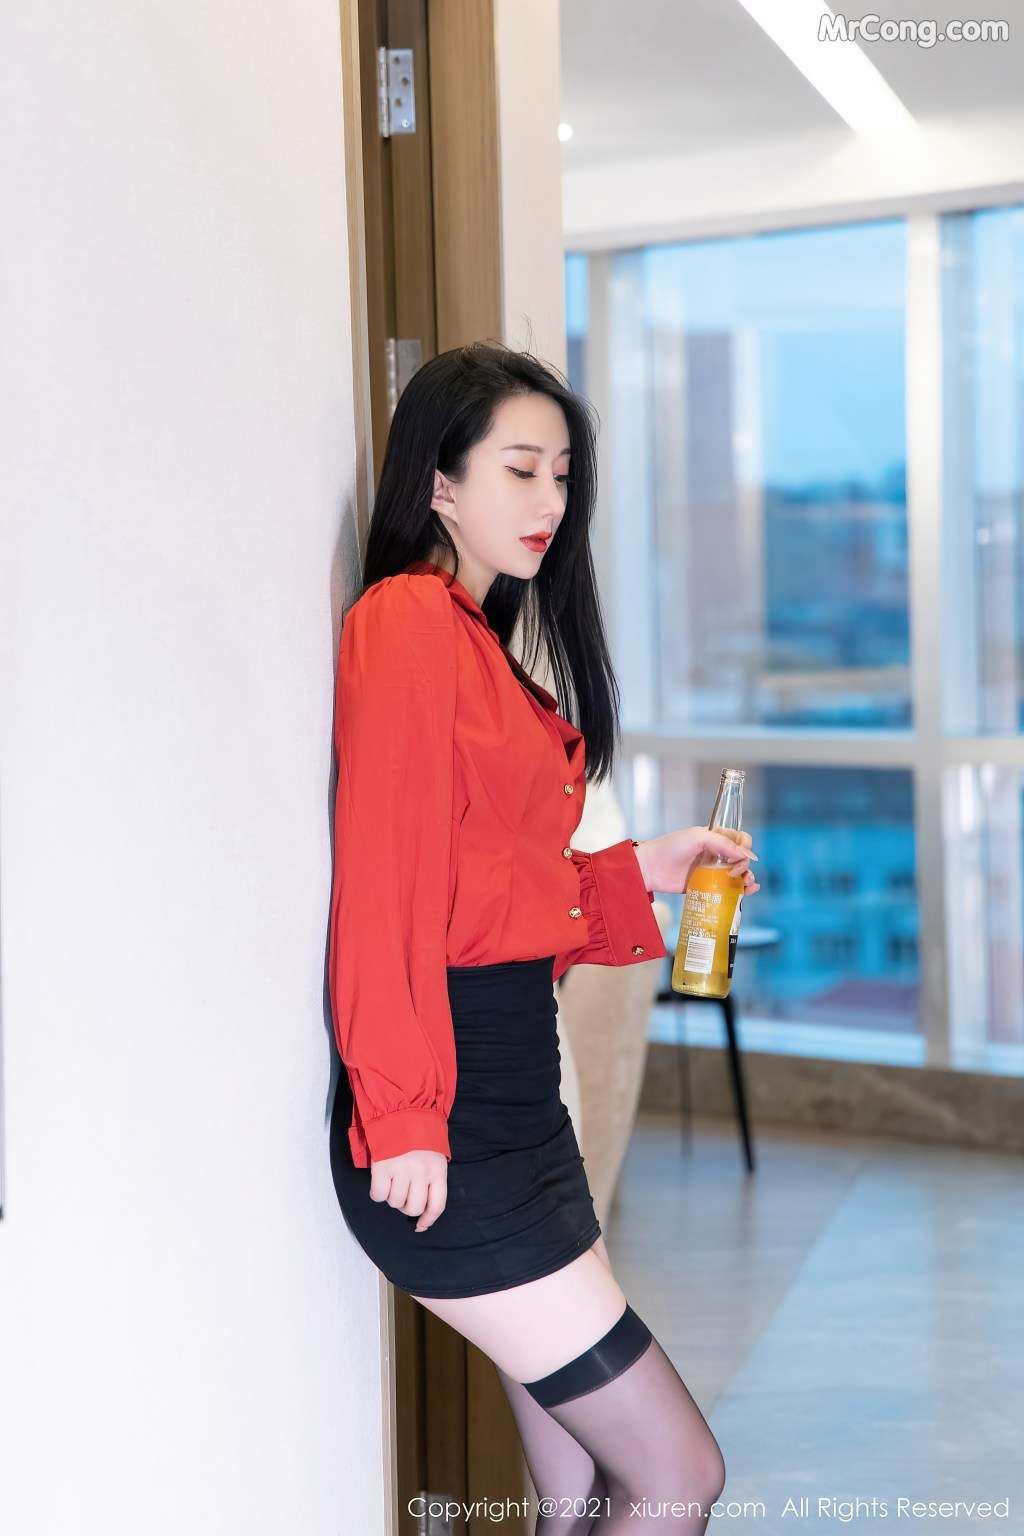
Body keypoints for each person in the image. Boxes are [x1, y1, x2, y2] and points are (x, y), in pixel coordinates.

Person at [327, 340, 761, 1533]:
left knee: (578, 1493)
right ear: (438, 483)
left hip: (517, 1102)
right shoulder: (408, 624)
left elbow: (491, 888)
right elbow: (387, 885)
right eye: (519, 470)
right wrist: (403, 1114)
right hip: (456, 1117)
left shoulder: (474, 637)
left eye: (562, 475)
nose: (550, 502)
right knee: (674, 1475)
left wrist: (644, 869)